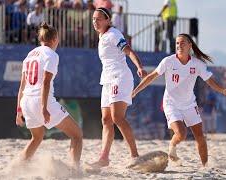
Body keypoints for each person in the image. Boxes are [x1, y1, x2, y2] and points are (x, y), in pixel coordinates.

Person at [132, 33, 226, 167]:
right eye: (177, 43)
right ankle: (172, 146)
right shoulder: (168, 61)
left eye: (182, 43)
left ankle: (205, 166)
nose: (179, 45)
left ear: (189, 46)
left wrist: (223, 90)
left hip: (189, 104)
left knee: (200, 137)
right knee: (181, 133)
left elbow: (210, 81)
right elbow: (151, 77)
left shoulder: (197, 64)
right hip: (171, 104)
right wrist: (135, 91)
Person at [15, 22, 83, 171]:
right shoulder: (52, 54)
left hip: (26, 101)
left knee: (37, 138)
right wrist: (44, 108)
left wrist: (19, 111)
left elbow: (22, 86)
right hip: (41, 102)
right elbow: (46, 82)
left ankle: (16, 167)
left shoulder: (29, 55)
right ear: (54, 39)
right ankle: (74, 171)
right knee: (77, 135)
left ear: (41, 39)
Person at [89, 7, 147, 168]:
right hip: (107, 80)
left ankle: (135, 155)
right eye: (93, 19)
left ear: (108, 20)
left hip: (119, 78)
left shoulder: (114, 34)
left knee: (117, 118)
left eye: (99, 19)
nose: (95, 21)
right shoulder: (102, 35)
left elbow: (129, 51)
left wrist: (139, 67)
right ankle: (104, 158)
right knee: (106, 120)